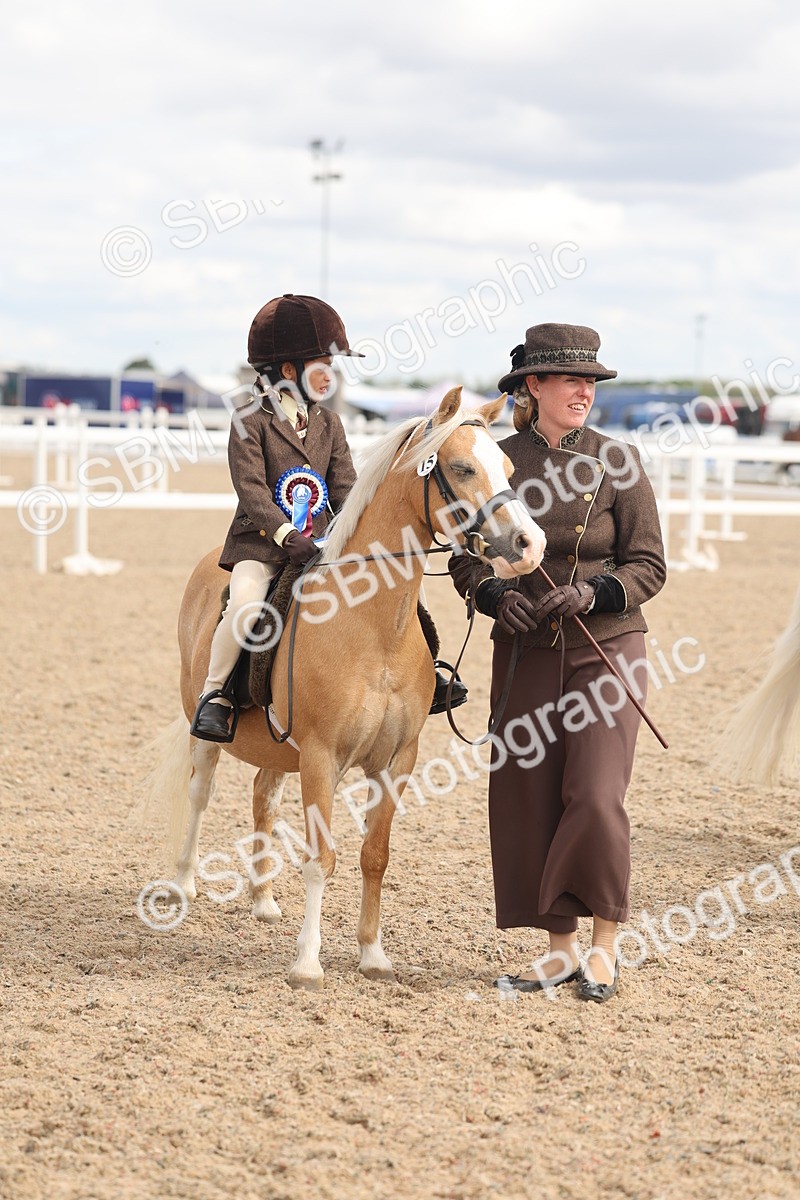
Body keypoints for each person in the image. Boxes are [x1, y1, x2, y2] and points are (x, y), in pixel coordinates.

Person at [449, 323, 666, 1002]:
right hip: (527, 651)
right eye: (571, 380)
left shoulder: (618, 460)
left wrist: (596, 590)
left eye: (591, 382)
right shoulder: (497, 458)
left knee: (596, 796)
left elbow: (650, 564)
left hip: (607, 648)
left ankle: (604, 946)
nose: (583, 391)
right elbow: (462, 556)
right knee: (527, 796)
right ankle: (558, 949)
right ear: (532, 386)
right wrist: (491, 595)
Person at [193, 293, 465, 742]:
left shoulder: (330, 424)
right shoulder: (249, 422)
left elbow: (345, 490)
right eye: (324, 365)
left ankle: (428, 672)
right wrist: (285, 534)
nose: (331, 376)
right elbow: (252, 491)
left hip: (322, 546)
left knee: (398, 591)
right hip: (263, 546)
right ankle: (216, 693)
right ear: (288, 370)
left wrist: (355, 533)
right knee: (243, 608)